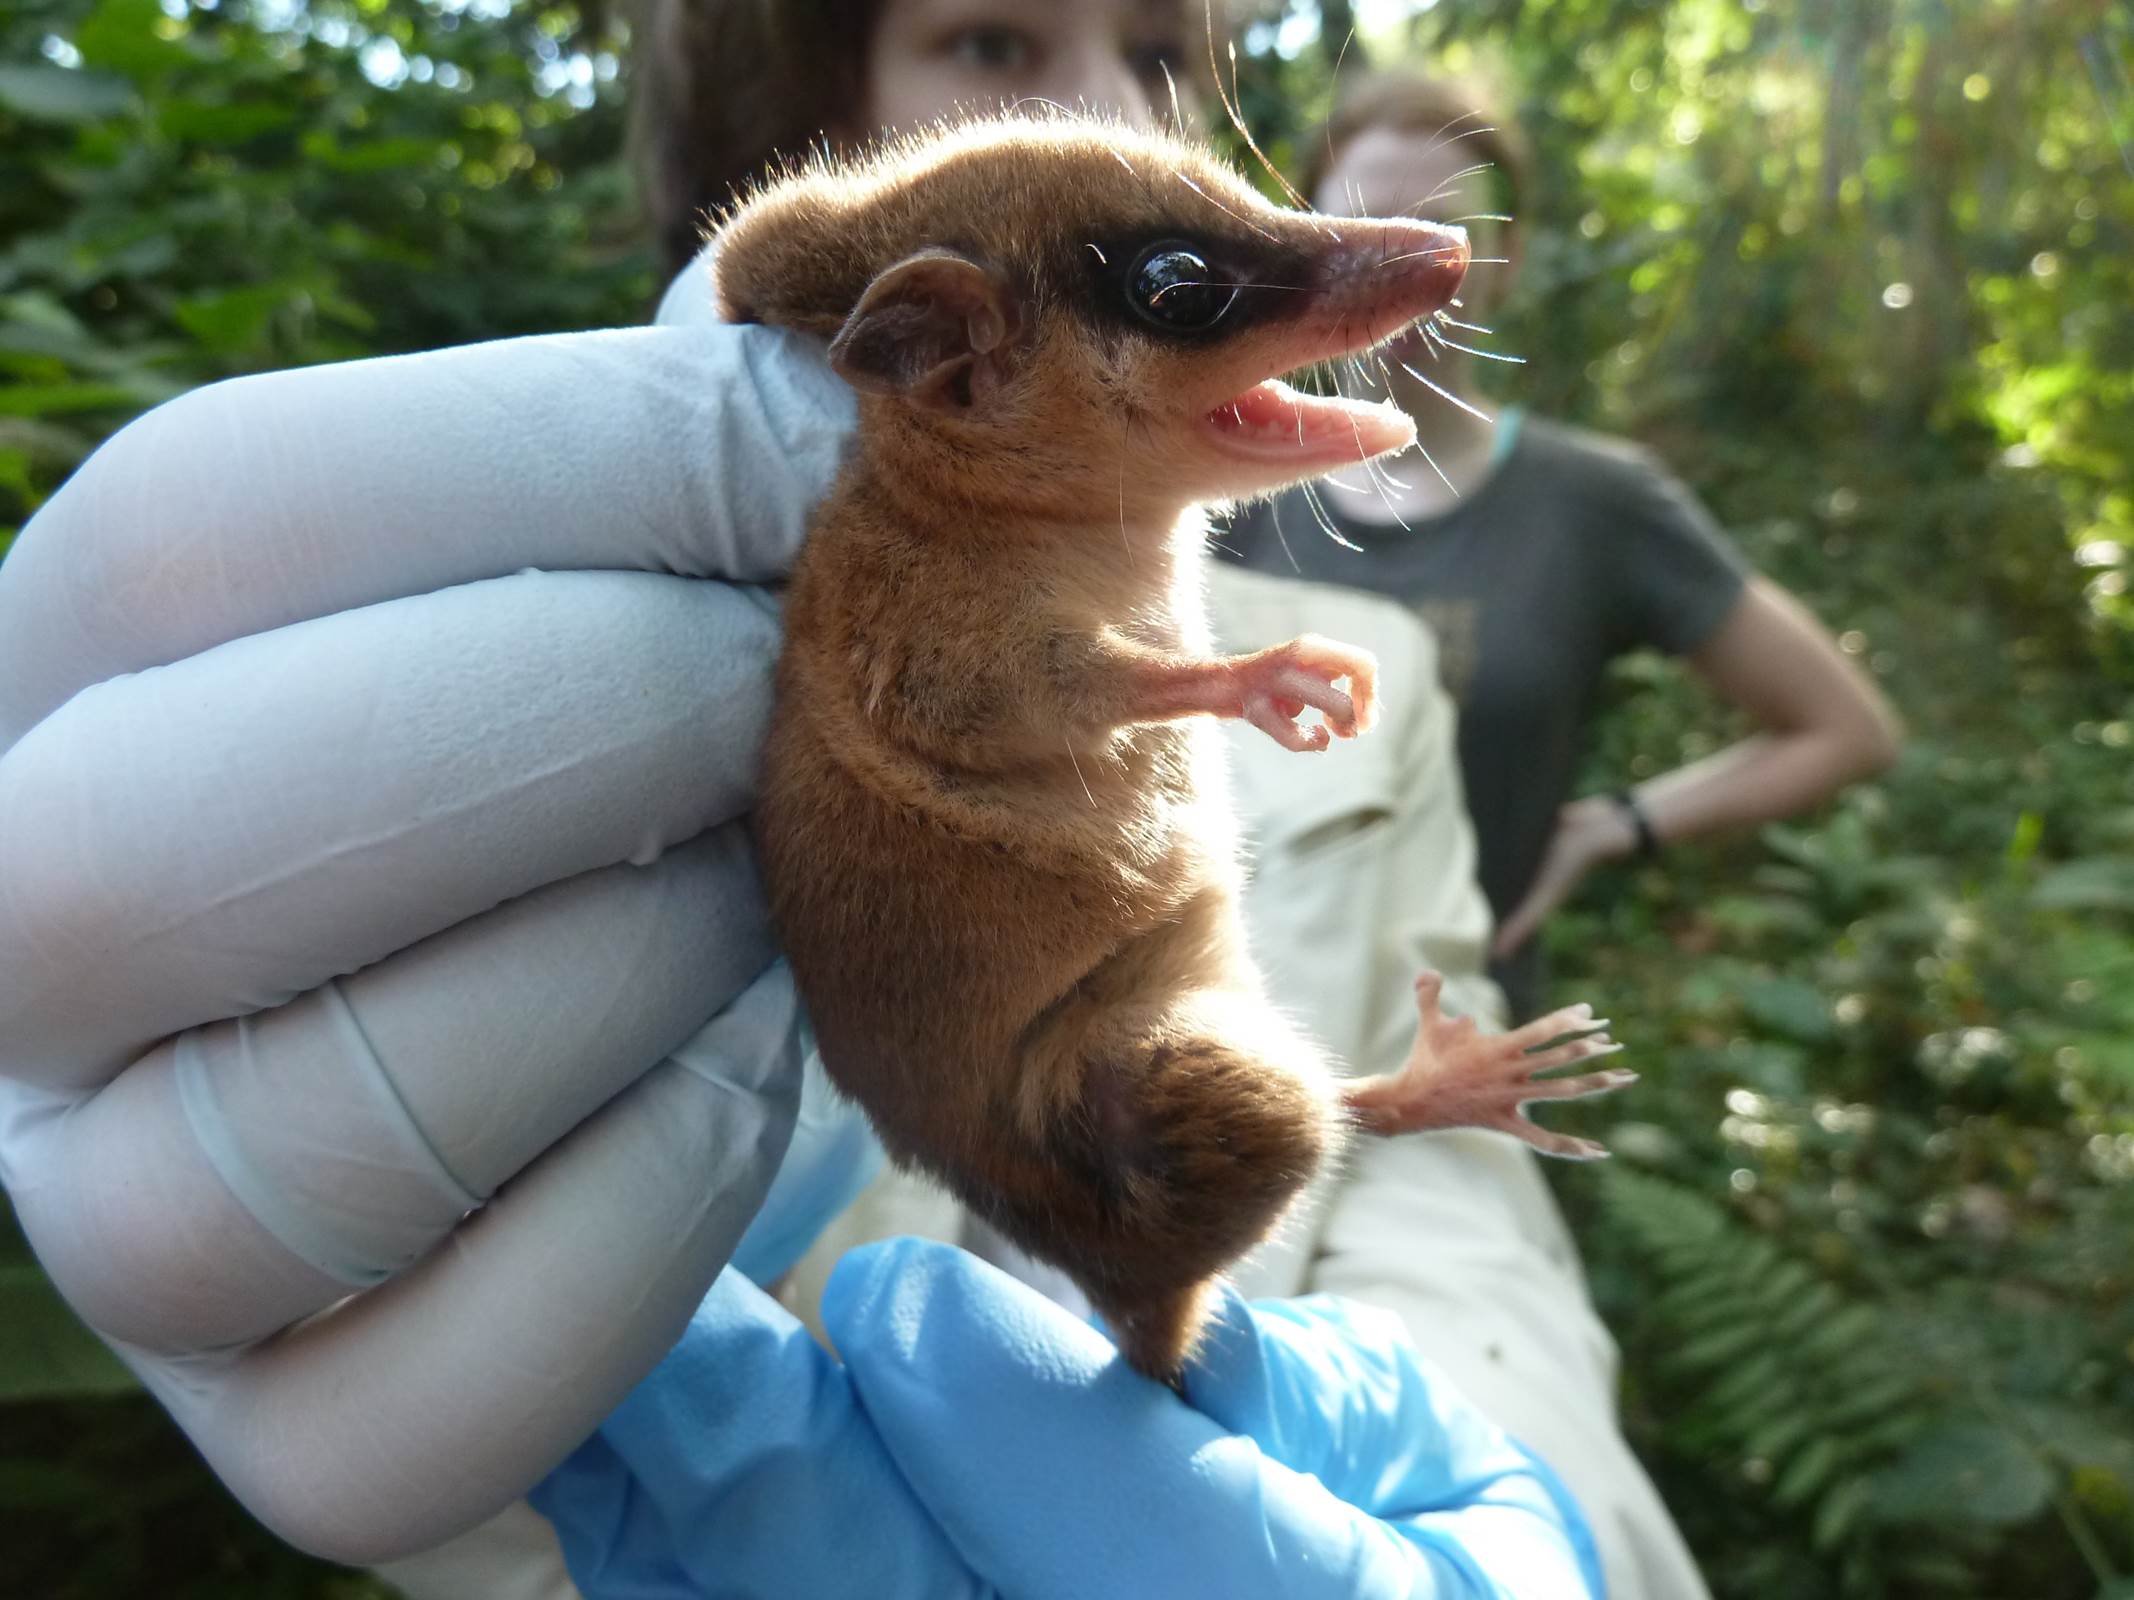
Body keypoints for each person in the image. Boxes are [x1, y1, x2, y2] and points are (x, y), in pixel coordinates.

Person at [0, 5, 1599, 1598]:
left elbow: (1475, 1253)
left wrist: (1522, 1524)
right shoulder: (506, 610)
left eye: (1170, 59)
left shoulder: (1380, 672)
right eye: (988, 44)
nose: (1121, 104)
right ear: (943, 339)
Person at [784, 561, 1716, 1600]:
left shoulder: (1369, 658)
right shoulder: (720, 618)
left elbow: (1443, 1192)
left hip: (1213, 1374)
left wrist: (1505, 1502)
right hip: (838, 1438)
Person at [1220, 69, 1904, 1021]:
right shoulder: (1223, 492)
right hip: (1221, 1043)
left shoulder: (1593, 504)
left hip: (1464, 1060)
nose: (1394, 274)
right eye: (1352, 234)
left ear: (1504, 259)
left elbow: (1845, 728)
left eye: (1440, 236)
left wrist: (1616, 827)